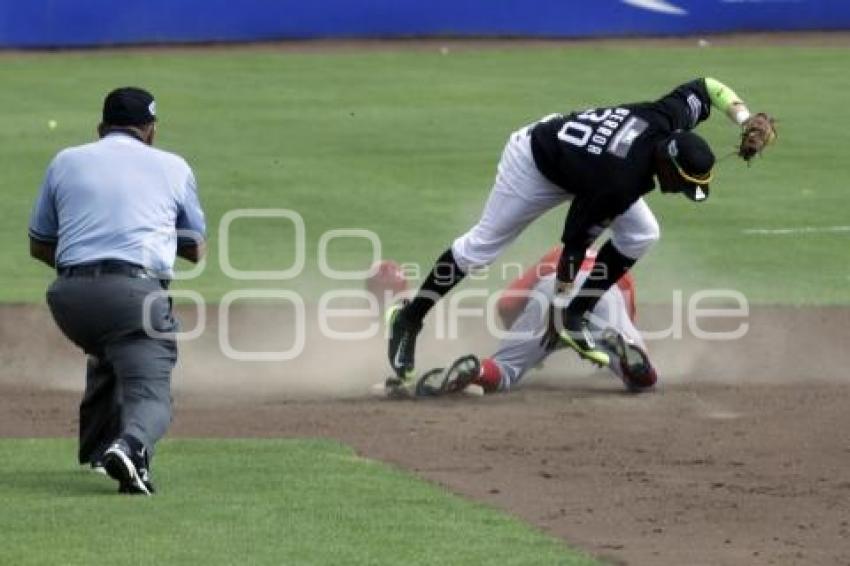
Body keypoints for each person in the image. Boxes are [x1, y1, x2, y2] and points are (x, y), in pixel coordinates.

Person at [387, 77, 774, 388]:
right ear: (667, 164)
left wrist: (745, 119)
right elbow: (574, 244)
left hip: (583, 161)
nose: (681, 191)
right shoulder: (617, 183)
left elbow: (708, 87)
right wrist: (560, 304)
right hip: (535, 162)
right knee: (479, 249)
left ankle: (579, 311)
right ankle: (409, 318)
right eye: (683, 183)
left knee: (643, 233)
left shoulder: (666, 120)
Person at [28, 87, 206, 495]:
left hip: (69, 299)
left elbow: (39, 244)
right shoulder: (173, 166)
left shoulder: (65, 161)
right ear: (151, 131)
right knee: (152, 390)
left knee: (111, 342)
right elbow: (196, 249)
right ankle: (130, 446)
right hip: (133, 294)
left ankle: (98, 451)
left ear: (100, 128)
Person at [400, 245, 656, 398]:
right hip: (604, 294)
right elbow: (628, 314)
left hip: (552, 291)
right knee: (639, 378)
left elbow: (507, 304)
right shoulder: (620, 267)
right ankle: (627, 359)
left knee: (505, 370)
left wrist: (524, 344)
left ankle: (476, 370)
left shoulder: (556, 255)